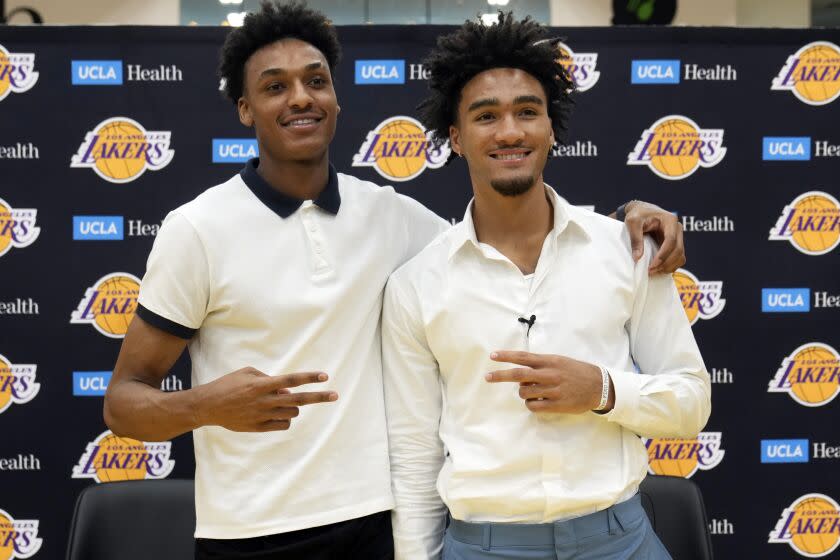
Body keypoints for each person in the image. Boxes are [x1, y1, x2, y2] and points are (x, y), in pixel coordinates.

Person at [103, 3, 690, 559]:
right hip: (251, 531)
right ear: (244, 108)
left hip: (374, 525)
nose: (300, 98)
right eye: (275, 86)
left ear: (336, 97)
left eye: (316, 80)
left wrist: (630, 217)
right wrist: (206, 404)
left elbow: (508, 232)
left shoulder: (391, 217)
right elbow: (123, 406)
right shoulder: (197, 229)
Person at [382, 13, 711, 560]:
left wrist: (604, 392)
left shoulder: (627, 250)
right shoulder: (416, 285)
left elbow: (692, 401)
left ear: (550, 129)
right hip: (483, 546)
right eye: (487, 116)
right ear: (456, 139)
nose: (510, 131)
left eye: (527, 112)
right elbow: (415, 458)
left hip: (620, 540)